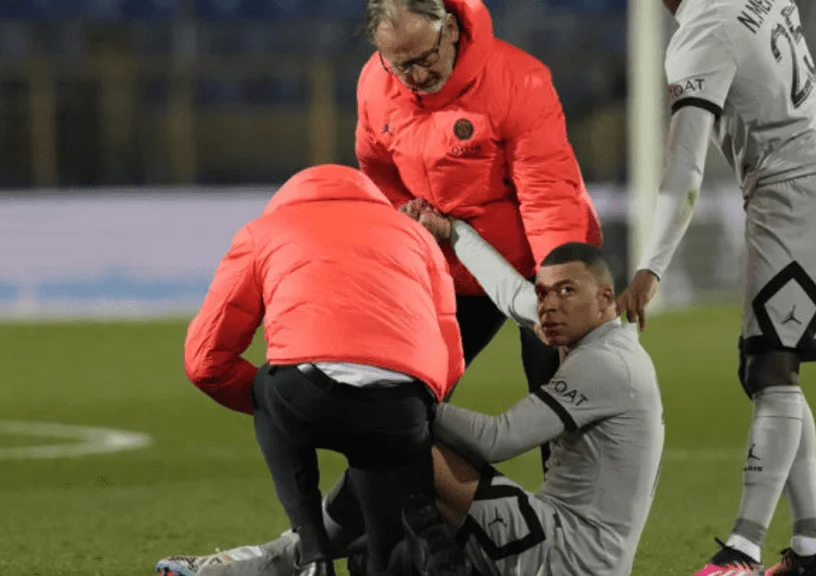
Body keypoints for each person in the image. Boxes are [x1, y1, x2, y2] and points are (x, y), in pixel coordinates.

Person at [155, 213, 664, 576]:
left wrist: (408, 399)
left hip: (566, 556)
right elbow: (511, 294)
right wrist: (455, 232)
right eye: (545, 291)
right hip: (558, 536)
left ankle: (282, 561)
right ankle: (302, 559)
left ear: (605, 298)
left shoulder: (607, 363)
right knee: (390, 470)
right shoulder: (587, 335)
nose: (548, 304)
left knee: (396, 443)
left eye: (566, 291)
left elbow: (499, 439)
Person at [616, 0, 816, 575]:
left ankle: (741, 552)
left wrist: (651, 267)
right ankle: (811, 551)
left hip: (796, 191)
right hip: (812, 179)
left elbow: (685, 168)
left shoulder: (703, 30)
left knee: (771, 368)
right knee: (769, 368)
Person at [174, 164, 468, 576]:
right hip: (401, 409)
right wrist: (414, 403)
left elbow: (205, 360)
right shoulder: (416, 235)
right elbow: (451, 358)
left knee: (266, 389)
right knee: (385, 550)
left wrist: (274, 401)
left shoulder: (266, 230)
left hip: (306, 394)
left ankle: (313, 555)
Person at [356, 0, 603, 418]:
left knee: (559, 410)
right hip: (451, 265)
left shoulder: (519, 81)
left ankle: (564, 486)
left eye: (424, 59)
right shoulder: (374, 84)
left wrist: (561, 287)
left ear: (450, 29)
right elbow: (377, 167)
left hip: (534, 263)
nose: (415, 77)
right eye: (400, 65)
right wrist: (404, 211)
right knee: (407, 403)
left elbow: (548, 196)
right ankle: (410, 485)